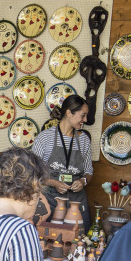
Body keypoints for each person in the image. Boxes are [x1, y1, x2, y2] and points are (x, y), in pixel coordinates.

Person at [32, 95, 93, 230]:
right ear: (69, 113)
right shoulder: (44, 138)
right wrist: (54, 183)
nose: (85, 120)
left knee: (79, 240)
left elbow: (89, 172)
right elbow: (34, 172)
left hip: (77, 200)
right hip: (50, 200)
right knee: (48, 239)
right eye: (83, 115)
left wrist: (82, 182)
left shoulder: (84, 140)